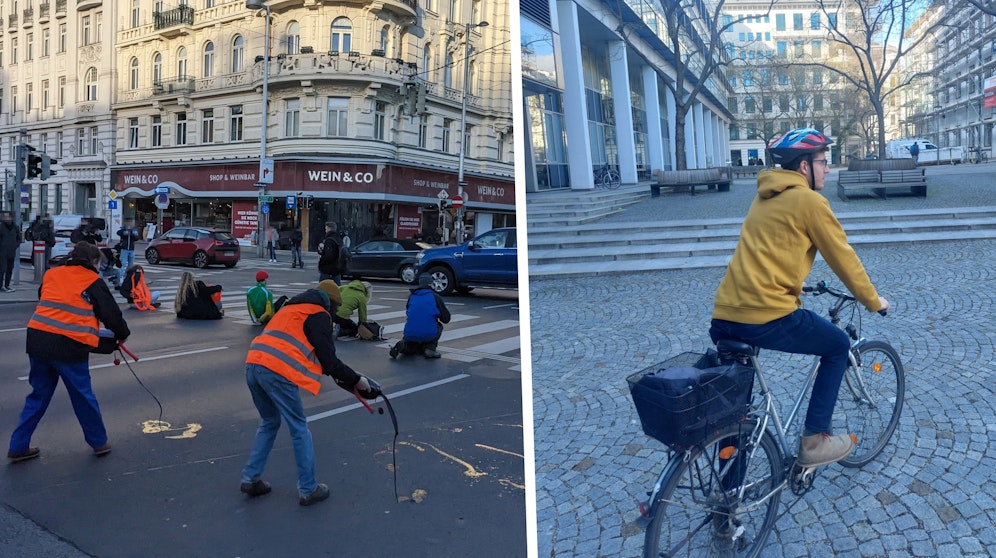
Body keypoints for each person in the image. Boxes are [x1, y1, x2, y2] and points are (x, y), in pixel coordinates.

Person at [708, 128, 890, 469]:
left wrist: (794, 283)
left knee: (736, 412)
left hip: (726, 314)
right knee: (837, 345)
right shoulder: (809, 201)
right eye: (823, 161)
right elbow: (843, 258)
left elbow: (765, 251)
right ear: (804, 166)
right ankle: (814, 442)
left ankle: (728, 493)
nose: (828, 169)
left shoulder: (764, 197)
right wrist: (873, 300)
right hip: (766, 315)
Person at [240, 283, 377, 506]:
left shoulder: (290, 308)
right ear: (330, 304)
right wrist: (356, 380)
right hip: (277, 370)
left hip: (253, 363)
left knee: (269, 421)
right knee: (299, 428)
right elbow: (329, 361)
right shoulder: (318, 314)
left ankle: (250, 478)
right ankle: (308, 489)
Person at [8, 241, 130, 462]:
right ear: (93, 261)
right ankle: (98, 442)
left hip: (37, 340)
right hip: (69, 346)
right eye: (99, 263)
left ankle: (18, 445)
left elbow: (46, 299)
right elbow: (111, 313)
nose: (99, 268)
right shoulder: (92, 280)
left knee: (37, 396)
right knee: (82, 396)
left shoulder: (52, 274)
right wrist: (122, 334)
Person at [390, 274, 451, 359]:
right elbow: (446, 319)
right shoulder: (435, 297)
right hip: (429, 334)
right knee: (438, 326)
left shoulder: (412, 296)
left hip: (410, 334)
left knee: (412, 344)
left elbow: (409, 312)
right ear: (431, 284)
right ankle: (430, 348)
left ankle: (404, 346)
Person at [0, 212, 20, 293]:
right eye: (4, 217)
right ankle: (0, 286)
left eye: (7, 217)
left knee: (9, 269)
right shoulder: (1, 227)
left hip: (11, 251)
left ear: (11, 218)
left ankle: (7, 285)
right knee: (2, 269)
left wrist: (15, 245)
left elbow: (18, 238)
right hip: (2, 251)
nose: (5, 218)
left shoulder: (15, 227)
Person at [116, 219, 141, 284]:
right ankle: (120, 277)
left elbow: (136, 238)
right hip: (124, 249)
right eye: (128, 223)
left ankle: (127, 277)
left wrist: (132, 233)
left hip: (131, 249)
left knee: (130, 265)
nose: (130, 224)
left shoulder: (134, 230)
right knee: (123, 263)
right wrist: (126, 232)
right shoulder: (123, 229)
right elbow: (118, 233)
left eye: (131, 223)